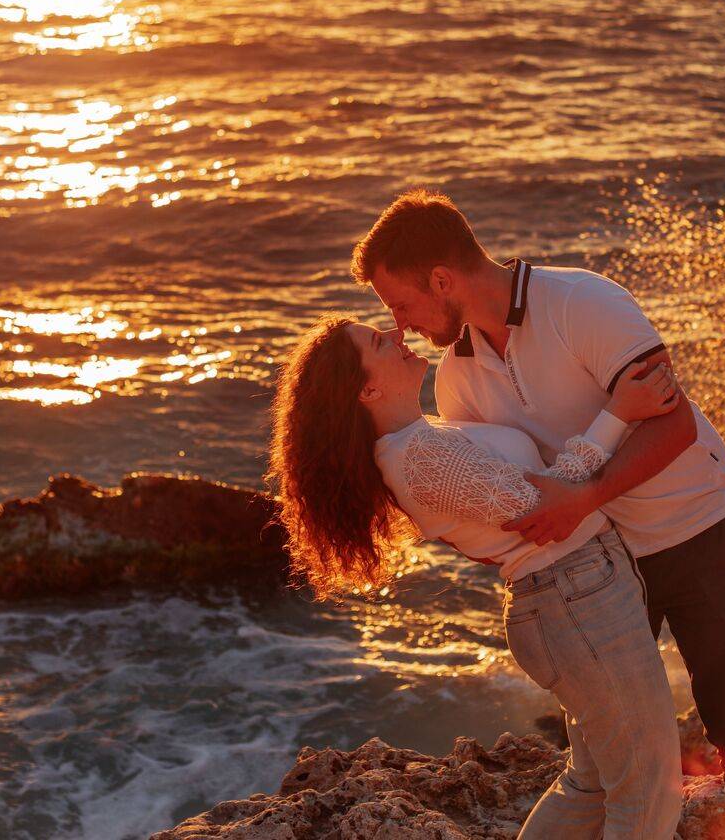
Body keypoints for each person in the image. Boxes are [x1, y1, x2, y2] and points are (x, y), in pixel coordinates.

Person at [352, 190, 725, 840]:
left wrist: (585, 497)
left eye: (400, 304)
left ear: (441, 280)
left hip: (697, 531)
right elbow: (498, 498)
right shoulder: (455, 381)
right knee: (599, 761)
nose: (400, 324)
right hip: (598, 574)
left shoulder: (582, 301)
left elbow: (672, 425)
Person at [268, 314, 686, 839]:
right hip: (574, 597)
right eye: (378, 341)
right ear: (367, 389)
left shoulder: (421, 439)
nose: (397, 334)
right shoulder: (419, 457)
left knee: (595, 782)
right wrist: (619, 413)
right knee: (647, 786)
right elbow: (547, 509)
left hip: (571, 595)